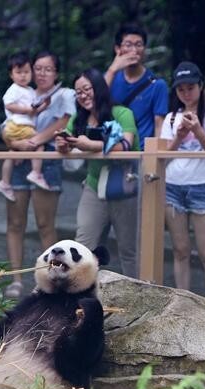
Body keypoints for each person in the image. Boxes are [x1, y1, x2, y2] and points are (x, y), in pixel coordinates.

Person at [1, 51, 75, 298]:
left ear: (56, 73)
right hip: (21, 159)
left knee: (45, 225)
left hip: (47, 160)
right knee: (15, 222)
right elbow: (7, 129)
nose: (42, 73)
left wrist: (33, 143)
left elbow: (62, 123)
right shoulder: (24, 93)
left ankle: (52, 280)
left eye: (48, 69)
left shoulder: (64, 94)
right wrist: (17, 144)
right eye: (38, 68)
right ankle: (16, 280)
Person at [56, 68, 139, 276]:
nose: (83, 96)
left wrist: (90, 144)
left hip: (125, 188)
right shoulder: (78, 118)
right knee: (82, 245)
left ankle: (139, 299)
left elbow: (126, 145)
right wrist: (63, 145)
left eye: (87, 89)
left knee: (130, 250)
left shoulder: (122, 113)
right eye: (79, 92)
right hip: (94, 185)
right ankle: (77, 297)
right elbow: (71, 145)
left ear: (99, 88)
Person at [160, 62, 205, 302]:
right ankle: (182, 303)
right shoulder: (170, 118)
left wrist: (198, 130)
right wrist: (179, 137)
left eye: (190, 88)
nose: (186, 93)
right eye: (181, 89)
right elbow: (163, 158)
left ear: (200, 86)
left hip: (204, 186)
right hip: (173, 187)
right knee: (180, 250)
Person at [0, 52, 50, 202]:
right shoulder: (14, 89)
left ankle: (5, 182)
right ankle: (36, 172)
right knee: (38, 144)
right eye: (18, 72)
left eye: (26, 72)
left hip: (21, 126)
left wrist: (44, 105)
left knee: (13, 153)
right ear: (11, 75)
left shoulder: (30, 91)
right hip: (17, 126)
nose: (23, 76)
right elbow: (9, 105)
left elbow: (33, 111)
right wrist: (27, 110)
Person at [104, 23, 168, 149]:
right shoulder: (109, 78)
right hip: (113, 152)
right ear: (118, 49)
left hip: (141, 154)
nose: (134, 50)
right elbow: (94, 103)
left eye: (138, 45)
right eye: (128, 45)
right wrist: (112, 70)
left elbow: (159, 125)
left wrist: (155, 159)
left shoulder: (157, 85)